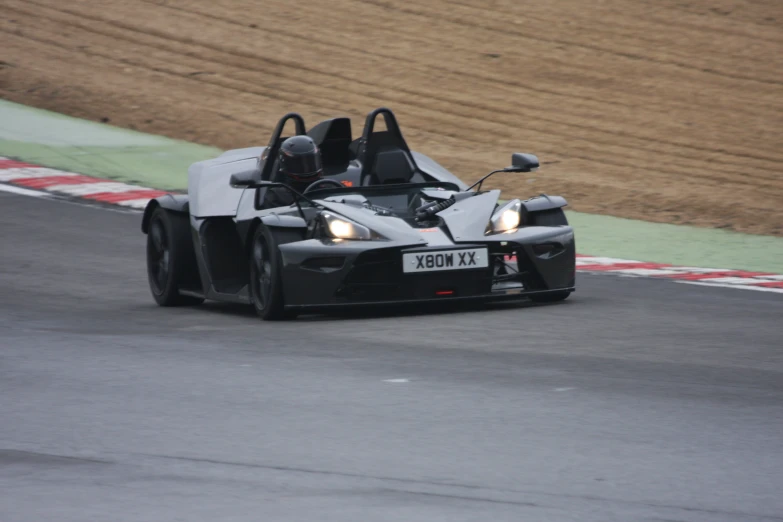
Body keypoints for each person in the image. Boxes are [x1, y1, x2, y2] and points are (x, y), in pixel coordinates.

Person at [262, 135, 324, 208]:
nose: (307, 169)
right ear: (286, 164)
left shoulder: (329, 186)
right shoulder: (277, 196)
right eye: (299, 164)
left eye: (311, 162)